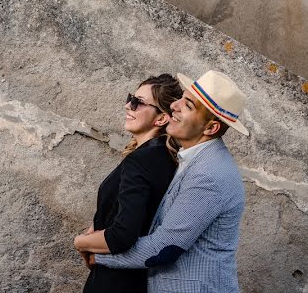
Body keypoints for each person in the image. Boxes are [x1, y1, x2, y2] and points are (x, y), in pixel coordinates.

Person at [90, 70, 249, 293]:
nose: (175, 105)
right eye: (181, 98)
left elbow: (163, 248)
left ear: (210, 128)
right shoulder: (192, 158)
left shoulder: (209, 175)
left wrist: (96, 255)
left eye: (188, 106)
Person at [73, 75, 183, 293]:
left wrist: (80, 242)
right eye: (131, 98)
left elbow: (123, 234)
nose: (128, 105)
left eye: (138, 102)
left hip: (115, 282)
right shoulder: (164, 158)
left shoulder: (141, 161)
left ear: (161, 118)